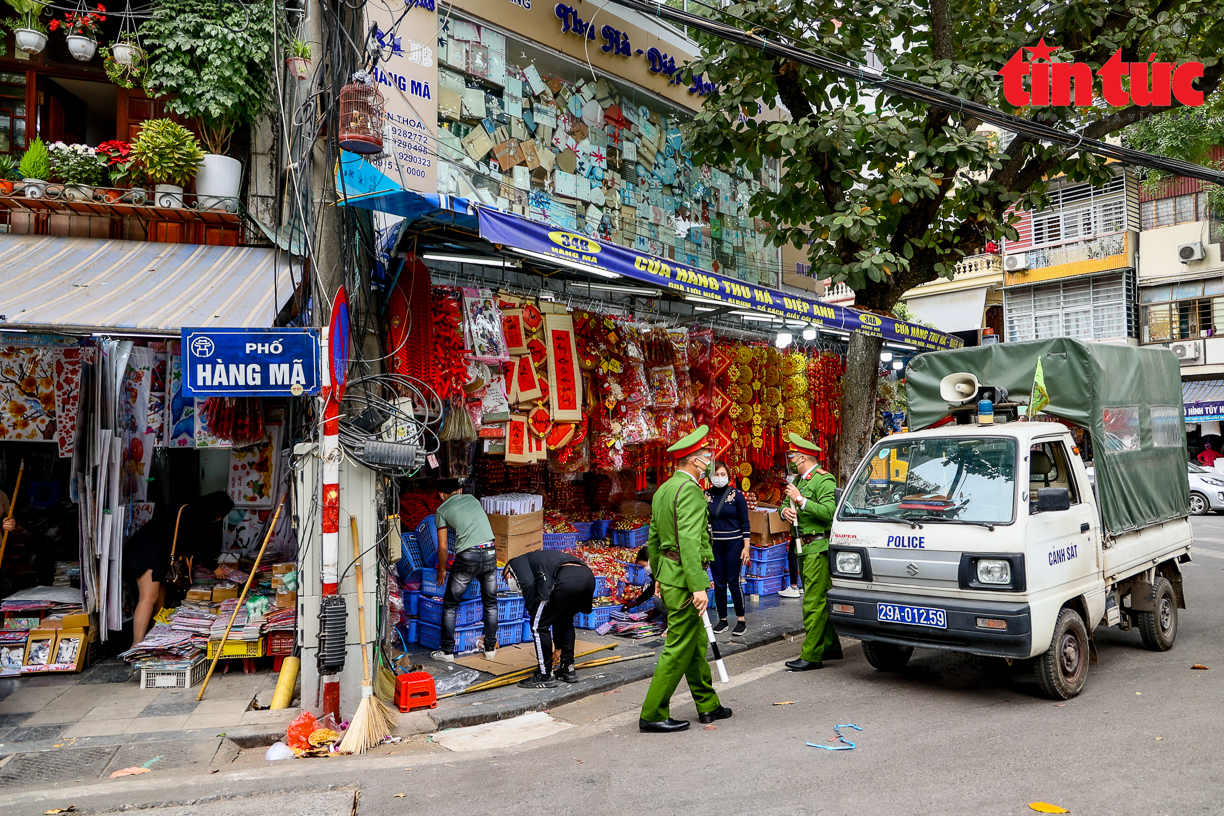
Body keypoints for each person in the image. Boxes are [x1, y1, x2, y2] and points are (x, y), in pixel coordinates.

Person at [639, 425, 732, 734]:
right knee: (679, 646)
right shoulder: (690, 491)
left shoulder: (665, 489)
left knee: (694, 644)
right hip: (684, 578)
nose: (710, 462)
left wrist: (657, 576)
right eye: (706, 457)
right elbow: (690, 543)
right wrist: (699, 586)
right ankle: (652, 713)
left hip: (669, 575)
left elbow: (653, 539)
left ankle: (707, 705)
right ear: (694, 461)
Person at [124, 491, 234, 648]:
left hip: (154, 553)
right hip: (146, 553)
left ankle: (156, 636)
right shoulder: (196, 515)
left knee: (160, 595)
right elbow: (198, 546)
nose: (219, 519)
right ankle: (136, 644)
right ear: (217, 510)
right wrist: (214, 567)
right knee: (149, 597)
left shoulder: (189, 509)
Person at [779, 433, 843, 671]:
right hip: (803, 547)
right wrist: (785, 511)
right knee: (818, 600)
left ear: (802, 456)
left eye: (793, 455)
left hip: (817, 547)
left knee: (813, 603)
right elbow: (785, 505)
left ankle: (812, 655)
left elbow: (829, 512)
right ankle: (830, 647)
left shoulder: (822, 480)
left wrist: (802, 500)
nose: (791, 460)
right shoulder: (799, 481)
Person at [506, 549, 597, 688]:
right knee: (564, 619)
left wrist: (533, 611)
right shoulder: (537, 559)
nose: (508, 582)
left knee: (538, 626)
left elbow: (528, 584)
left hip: (566, 579)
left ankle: (545, 675)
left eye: (506, 579)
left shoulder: (515, 563)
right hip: (587, 577)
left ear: (508, 571)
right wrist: (559, 648)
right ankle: (568, 668)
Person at [431, 478, 498, 663]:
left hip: (468, 557)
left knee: (450, 604)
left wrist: (442, 570)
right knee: (491, 603)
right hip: (491, 551)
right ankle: (490, 648)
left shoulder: (441, 510)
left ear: (441, 495)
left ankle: (447, 651)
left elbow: (443, 547)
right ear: (459, 491)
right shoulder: (472, 499)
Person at [706, 461, 750, 636]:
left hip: (734, 544)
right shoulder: (704, 496)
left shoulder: (736, 495)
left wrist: (746, 547)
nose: (719, 478)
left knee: (733, 581)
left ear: (729, 476)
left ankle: (741, 620)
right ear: (710, 477)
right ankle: (722, 620)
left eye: (723, 474)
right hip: (715, 544)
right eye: (716, 474)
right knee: (718, 583)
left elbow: (745, 523)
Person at [621, 545, 667, 629]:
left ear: (649, 560)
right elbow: (652, 588)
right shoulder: (656, 571)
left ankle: (672, 624)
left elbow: (668, 596)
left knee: (657, 601)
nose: (645, 569)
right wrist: (636, 602)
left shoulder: (664, 571)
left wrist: (655, 611)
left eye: (643, 565)